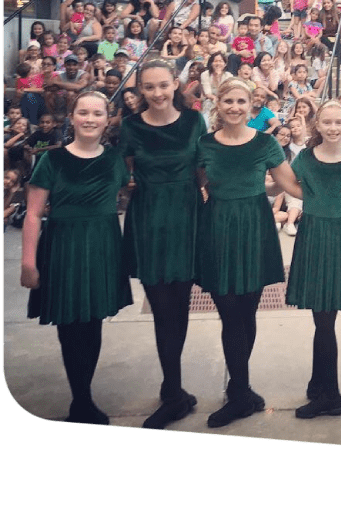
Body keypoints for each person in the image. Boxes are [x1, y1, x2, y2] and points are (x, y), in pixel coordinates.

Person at [20, 91, 132, 425]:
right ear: (72, 116)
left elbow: (140, 183)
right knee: (70, 325)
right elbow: (31, 214)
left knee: (92, 321)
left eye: (97, 113)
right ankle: (80, 401)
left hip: (102, 247)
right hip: (63, 247)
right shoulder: (51, 160)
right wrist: (28, 261)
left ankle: (84, 396)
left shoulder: (115, 160)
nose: (90, 119)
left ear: (107, 118)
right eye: (83, 112)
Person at [197, 79, 301, 428]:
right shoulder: (205, 144)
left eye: (241, 101)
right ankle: (241, 394)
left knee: (247, 310)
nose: (235, 107)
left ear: (250, 105)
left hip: (255, 228)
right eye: (228, 101)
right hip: (219, 228)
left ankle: (240, 389)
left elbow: (288, 184)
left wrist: (336, 188)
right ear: (219, 105)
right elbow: (198, 182)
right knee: (229, 313)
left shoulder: (265, 143)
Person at [120, 59, 207, 430]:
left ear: (176, 84)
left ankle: (172, 390)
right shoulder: (130, 126)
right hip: (149, 221)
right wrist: (129, 184)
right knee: (161, 307)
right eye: (149, 87)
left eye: (163, 85)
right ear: (141, 91)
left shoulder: (193, 122)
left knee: (179, 305)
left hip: (186, 219)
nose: (157, 93)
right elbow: (126, 176)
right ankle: (174, 391)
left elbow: (203, 173)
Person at [286, 100, 341, 418]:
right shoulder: (306, 158)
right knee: (319, 317)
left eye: (339, 122)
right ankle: (318, 382)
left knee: (326, 320)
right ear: (317, 125)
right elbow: (287, 185)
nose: (334, 128)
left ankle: (332, 396)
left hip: (339, 238)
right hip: (312, 235)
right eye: (327, 122)